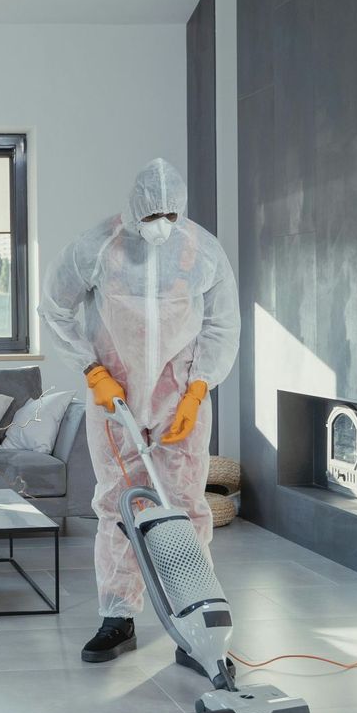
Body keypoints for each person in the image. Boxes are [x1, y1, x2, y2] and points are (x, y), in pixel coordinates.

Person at [39, 158, 240, 664]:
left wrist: (198, 390)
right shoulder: (98, 247)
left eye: (170, 214)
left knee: (187, 506)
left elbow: (223, 325)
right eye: (153, 215)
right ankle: (118, 617)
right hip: (116, 398)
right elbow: (54, 307)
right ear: (133, 211)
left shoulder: (201, 251)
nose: (161, 225)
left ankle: (194, 624)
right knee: (117, 504)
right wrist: (92, 370)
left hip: (180, 397)